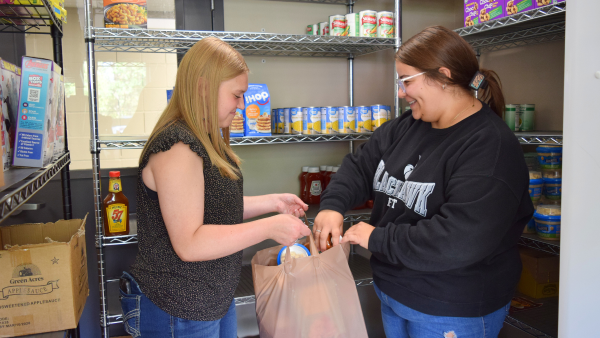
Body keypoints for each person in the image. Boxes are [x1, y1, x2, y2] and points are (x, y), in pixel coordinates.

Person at [314, 26, 533, 338]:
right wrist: (333, 207)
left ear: (443, 76)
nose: (401, 93)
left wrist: (377, 238)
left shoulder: (489, 147)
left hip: (451, 308)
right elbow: (360, 167)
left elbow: (458, 239)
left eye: (406, 81)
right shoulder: (408, 126)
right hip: (394, 293)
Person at [120, 37, 311, 338]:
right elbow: (191, 243)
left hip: (213, 299)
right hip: (179, 308)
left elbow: (212, 208)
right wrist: (269, 228)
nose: (241, 105)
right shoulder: (177, 147)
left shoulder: (206, 140)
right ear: (204, 87)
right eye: (236, 95)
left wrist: (274, 203)